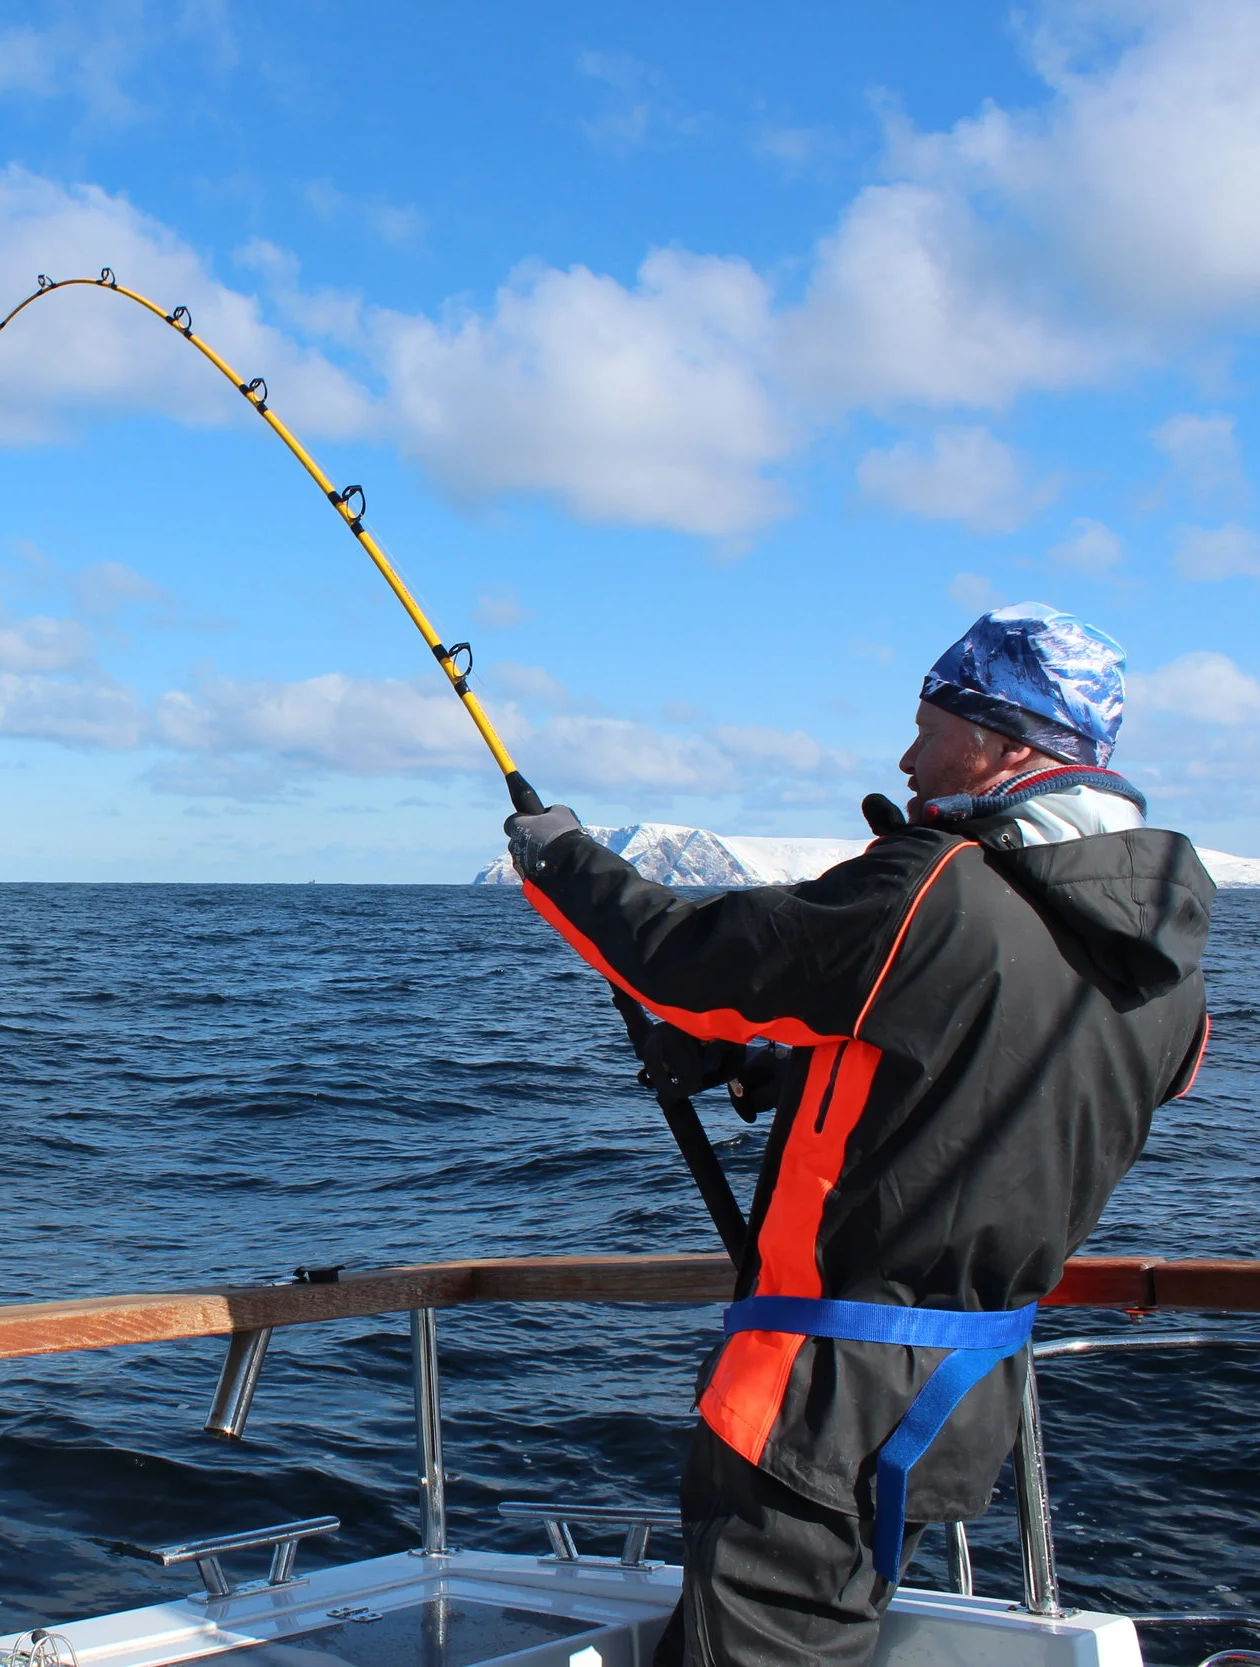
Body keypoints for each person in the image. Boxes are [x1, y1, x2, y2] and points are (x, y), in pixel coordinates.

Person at [501, 603, 1215, 1667]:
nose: (906, 755)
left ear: (1004, 741)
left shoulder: (931, 886)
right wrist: (786, 1070)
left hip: (817, 1397)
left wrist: (561, 857)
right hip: (961, 1395)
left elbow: (687, 961)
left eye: (929, 725)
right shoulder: (1171, 976)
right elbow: (993, 1085)